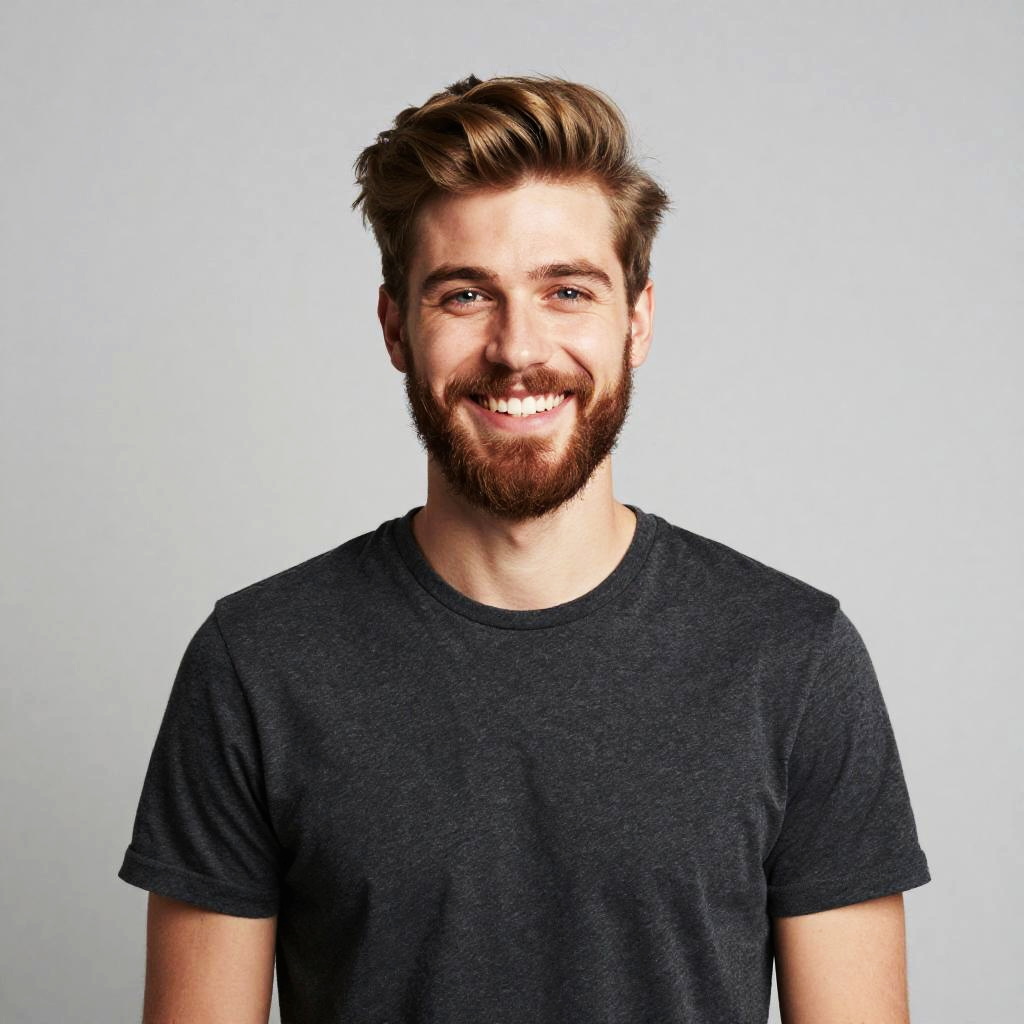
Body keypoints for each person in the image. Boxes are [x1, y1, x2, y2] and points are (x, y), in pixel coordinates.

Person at [118, 74, 931, 1024]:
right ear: (395, 328)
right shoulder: (257, 662)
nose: (518, 349)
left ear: (638, 320)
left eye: (568, 290)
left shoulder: (792, 659)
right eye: (465, 295)